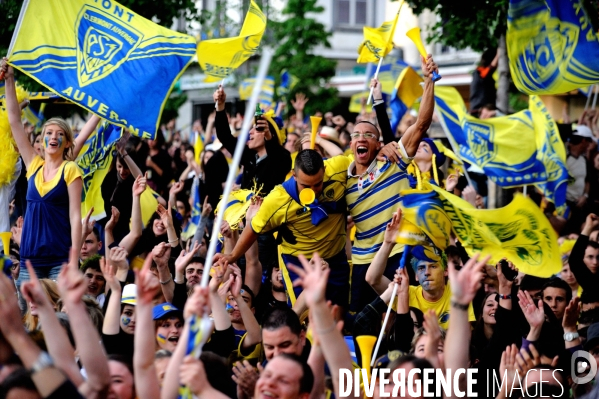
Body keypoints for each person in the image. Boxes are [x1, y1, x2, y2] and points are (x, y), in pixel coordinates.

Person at [346, 54, 438, 313]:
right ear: (351, 145)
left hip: (398, 251)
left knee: (401, 318)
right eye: (356, 135)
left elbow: (421, 124)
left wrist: (429, 81)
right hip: (363, 260)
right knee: (360, 324)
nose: (361, 138)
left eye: (368, 135)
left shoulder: (393, 158)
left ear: (378, 144)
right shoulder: (342, 178)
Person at [219, 149, 352, 308]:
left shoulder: (339, 167)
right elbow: (253, 229)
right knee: (304, 318)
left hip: (335, 259)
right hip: (299, 264)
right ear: (294, 176)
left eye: (318, 184)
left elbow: (362, 162)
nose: (313, 190)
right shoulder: (277, 200)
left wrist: (381, 151)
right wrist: (232, 256)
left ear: (324, 170)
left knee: (340, 313)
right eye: (306, 185)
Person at [2, 61, 82, 284]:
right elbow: (15, 121)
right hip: (30, 261)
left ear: (67, 143)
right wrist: (10, 79)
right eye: (48, 133)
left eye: (59, 134)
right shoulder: (33, 165)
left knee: (58, 317)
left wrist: (74, 261)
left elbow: (76, 217)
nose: (53, 137)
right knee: (29, 319)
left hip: (60, 260)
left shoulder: (70, 169)